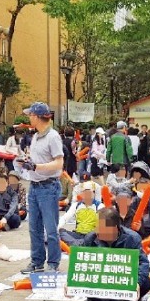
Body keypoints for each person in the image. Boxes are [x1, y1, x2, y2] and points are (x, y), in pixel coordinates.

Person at [18, 102, 64, 274]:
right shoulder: (36, 136)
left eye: (30, 115)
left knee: (50, 228)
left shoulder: (53, 136)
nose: (29, 117)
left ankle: (53, 263)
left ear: (37, 116)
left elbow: (59, 163)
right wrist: (26, 162)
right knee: (34, 227)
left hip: (48, 187)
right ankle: (37, 262)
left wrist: (36, 167)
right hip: (35, 186)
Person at [81, 207, 150, 301]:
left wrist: (137, 283)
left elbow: (143, 263)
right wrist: (71, 281)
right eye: (97, 226)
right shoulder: (90, 238)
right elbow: (81, 263)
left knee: (146, 282)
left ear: (114, 228)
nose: (98, 230)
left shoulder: (132, 238)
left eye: (102, 227)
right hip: (101, 280)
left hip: (123, 280)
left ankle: (123, 300)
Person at [58, 181, 104, 246]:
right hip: (78, 235)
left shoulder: (100, 206)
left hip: (92, 236)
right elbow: (65, 218)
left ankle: (77, 244)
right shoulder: (76, 205)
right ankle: (78, 244)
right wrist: (56, 229)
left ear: (93, 193)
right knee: (60, 231)